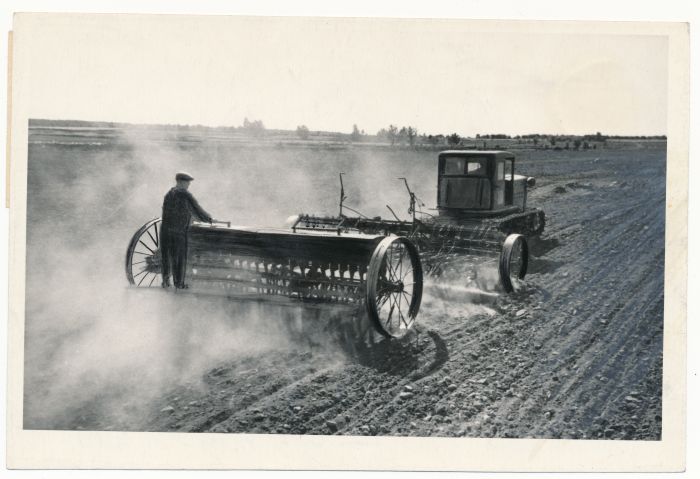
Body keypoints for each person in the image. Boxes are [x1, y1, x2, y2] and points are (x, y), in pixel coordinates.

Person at [160, 172, 213, 289]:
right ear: (182, 182)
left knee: (166, 257)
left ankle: (165, 281)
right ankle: (179, 284)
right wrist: (208, 219)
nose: (189, 185)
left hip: (165, 231)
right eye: (188, 182)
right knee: (179, 257)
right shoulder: (185, 195)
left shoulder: (169, 194)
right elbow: (196, 209)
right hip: (178, 231)